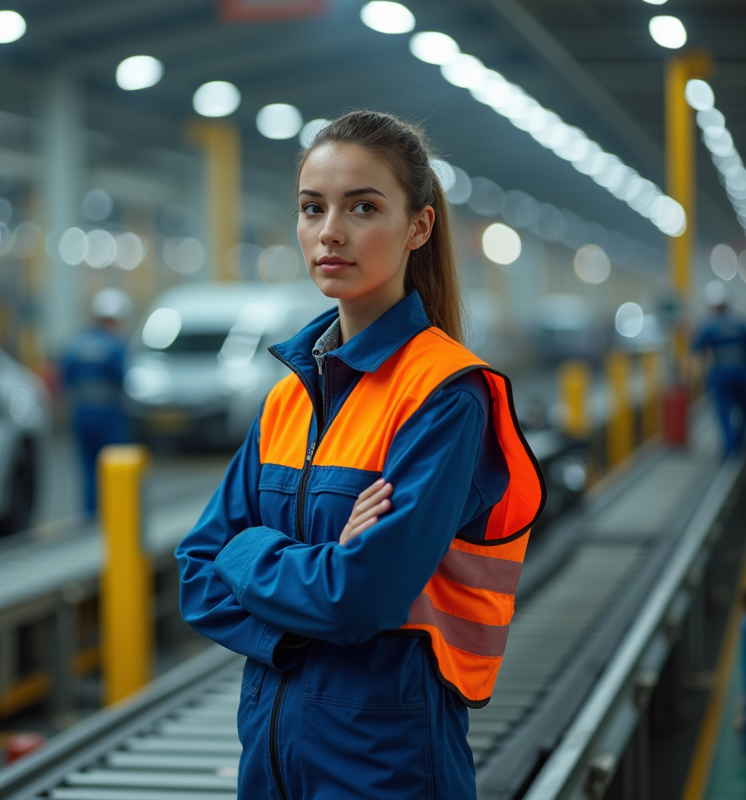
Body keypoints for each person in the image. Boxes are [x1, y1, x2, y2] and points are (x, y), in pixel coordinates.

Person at [175, 111, 545, 799]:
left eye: (363, 207)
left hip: (386, 762)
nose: (330, 233)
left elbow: (360, 598)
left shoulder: (443, 396)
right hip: (271, 758)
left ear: (419, 227)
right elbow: (195, 576)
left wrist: (249, 549)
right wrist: (306, 594)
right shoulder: (289, 398)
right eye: (312, 208)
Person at [61, 288, 132, 517]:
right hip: (109, 414)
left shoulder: (76, 343)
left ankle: (90, 515)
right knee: (114, 466)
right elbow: (124, 378)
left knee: (88, 467)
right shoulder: (114, 346)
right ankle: (115, 516)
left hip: (81, 412)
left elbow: (66, 377)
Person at [692, 282, 746, 457]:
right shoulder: (741, 323)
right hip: (742, 374)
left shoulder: (709, 326)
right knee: (744, 410)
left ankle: (730, 448)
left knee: (724, 412)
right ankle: (740, 442)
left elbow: (696, 347)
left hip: (721, 376)